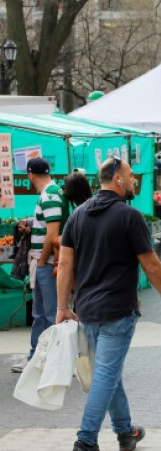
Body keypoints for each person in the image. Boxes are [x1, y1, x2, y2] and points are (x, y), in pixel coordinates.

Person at [56, 157, 161, 451]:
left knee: (109, 371)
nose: (134, 182)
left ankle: (125, 431)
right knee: (106, 373)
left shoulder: (77, 216)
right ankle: (86, 439)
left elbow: (65, 264)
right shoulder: (129, 216)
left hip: (88, 310)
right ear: (118, 179)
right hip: (118, 310)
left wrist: (62, 307)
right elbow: (151, 264)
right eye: (131, 176)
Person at [12, 158, 65, 373]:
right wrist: (31, 223)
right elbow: (47, 226)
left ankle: (55, 359)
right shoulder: (51, 194)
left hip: (47, 262)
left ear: (31, 175)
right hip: (45, 262)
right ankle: (36, 356)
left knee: (49, 314)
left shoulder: (50, 196)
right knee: (40, 313)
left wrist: (42, 261)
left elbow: (52, 233)